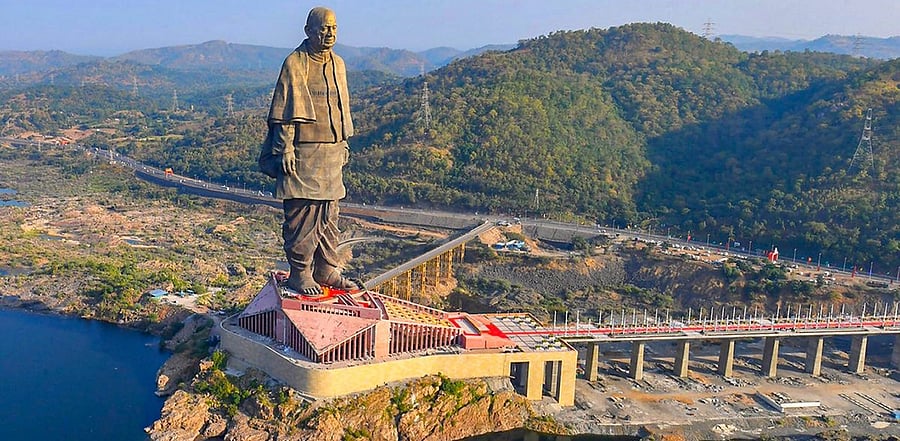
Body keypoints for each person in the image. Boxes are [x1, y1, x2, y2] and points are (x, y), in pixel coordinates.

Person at [259, 6, 360, 295]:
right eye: (323, 28)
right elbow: (285, 111)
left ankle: (326, 267)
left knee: (329, 212)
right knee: (303, 213)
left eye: (333, 29)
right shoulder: (295, 62)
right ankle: (300, 272)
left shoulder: (338, 64)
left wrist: (343, 143)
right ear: (308, 31)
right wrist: (286, 148)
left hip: (331, 149)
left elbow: (341, 109)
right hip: (302, 150)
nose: (329, 34)